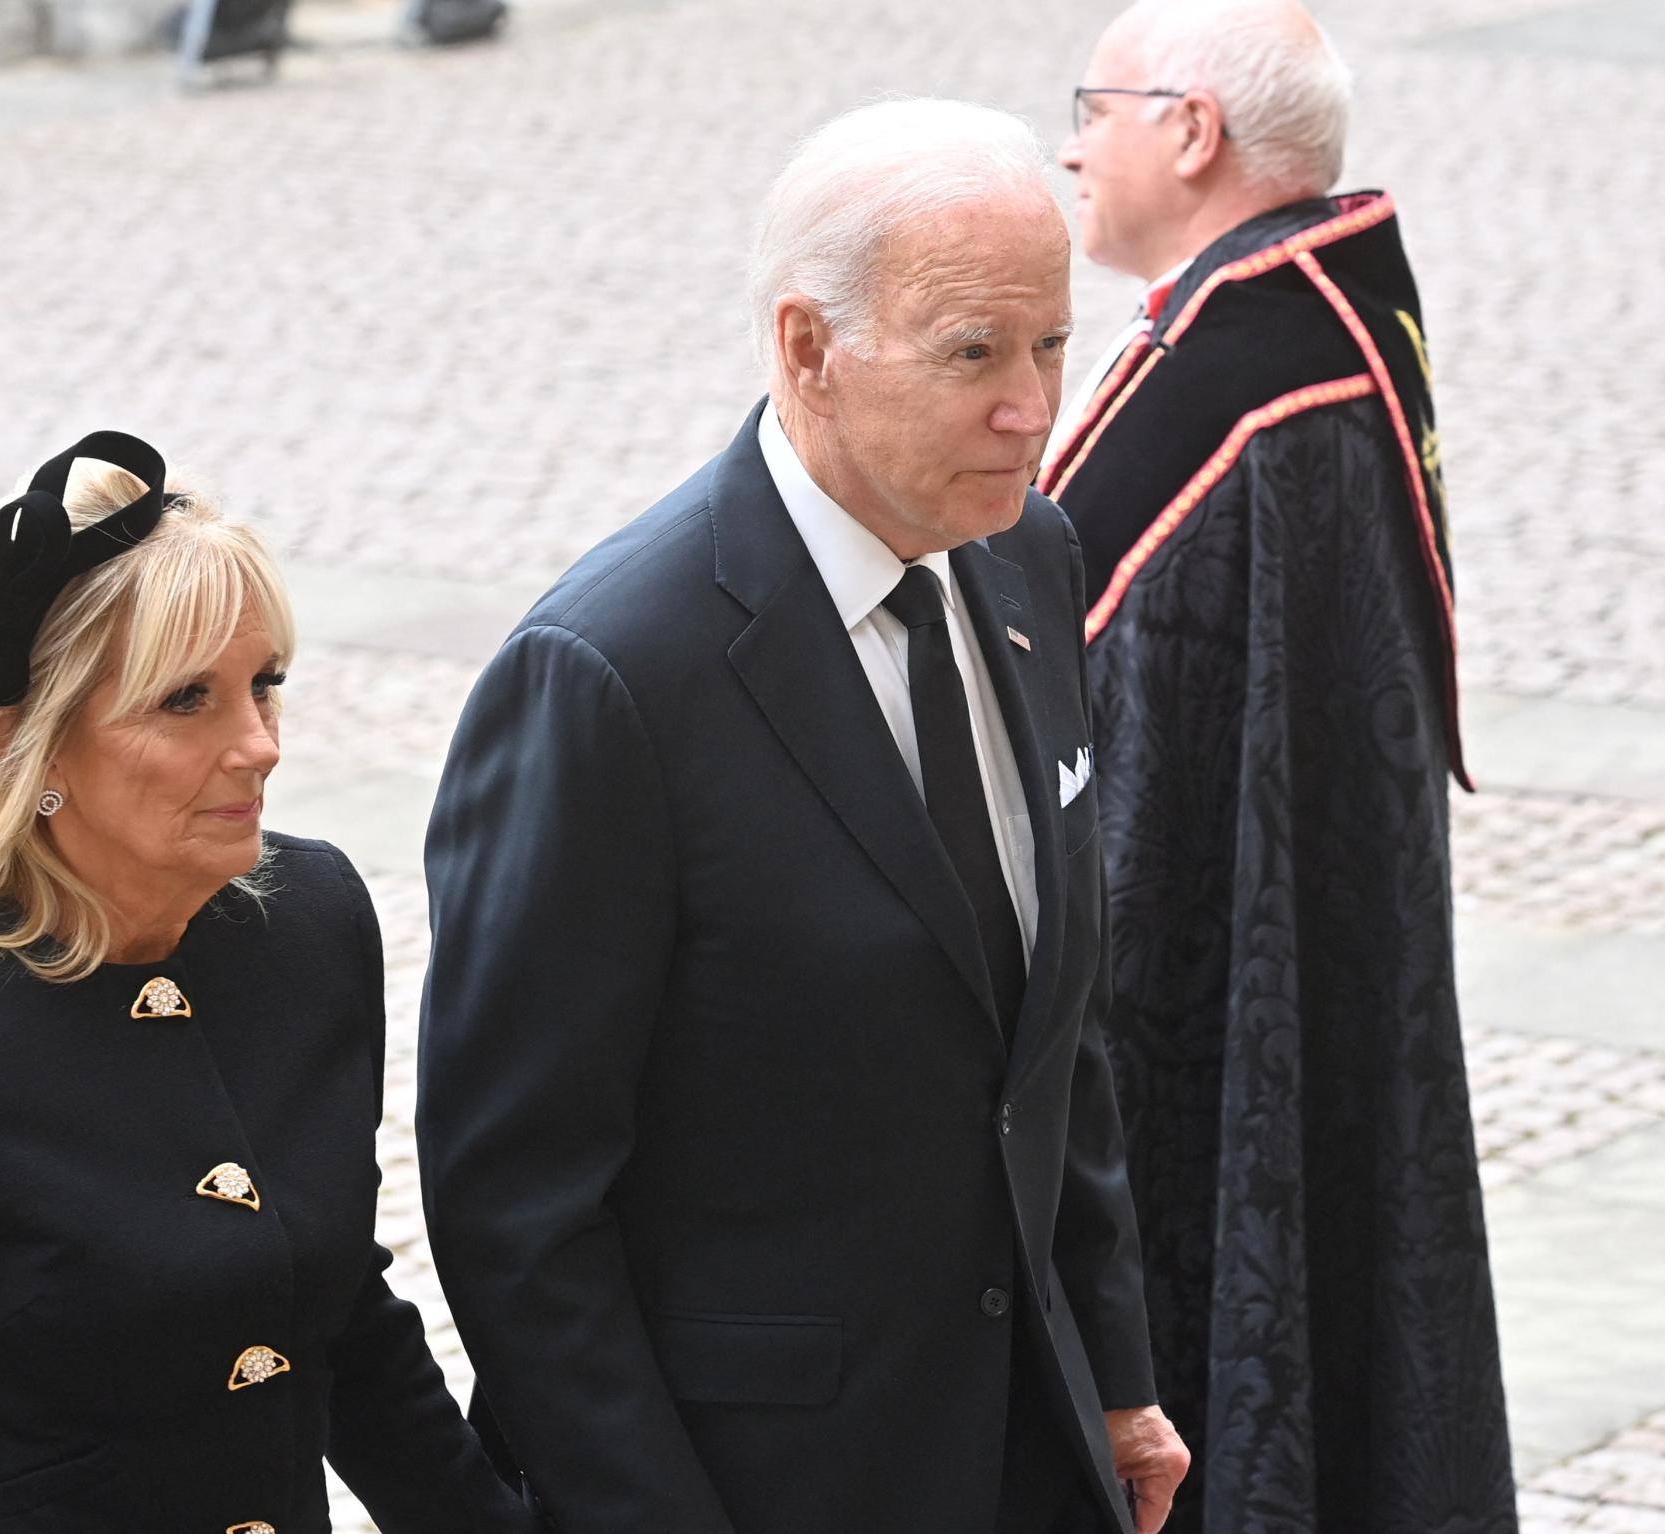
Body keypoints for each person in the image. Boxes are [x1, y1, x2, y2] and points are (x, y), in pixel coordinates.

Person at [417, 100, 1190, 1534]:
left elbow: (1049, 1045)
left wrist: (1113, 1373)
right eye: (975, 353)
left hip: (1028, 1454)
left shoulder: (1027, 552)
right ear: (806, 350)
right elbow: (516, 1209)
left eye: (1051, 345)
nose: (1033, 408)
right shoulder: (607, 679)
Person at [0, 433, 535, 1534]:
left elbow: (335, 1313)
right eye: (187, 701)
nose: (259, 742)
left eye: (264, 684)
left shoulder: (310, 923)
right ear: (32, 739)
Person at [1039, 4, 1518, 1531]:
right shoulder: (1334, 315)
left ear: (1192, 130)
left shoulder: (1233, 378)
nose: (1068, 141)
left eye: (1094, 105)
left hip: (1196, 1026)